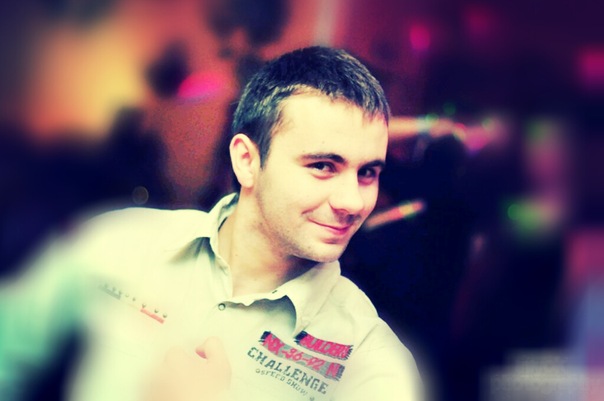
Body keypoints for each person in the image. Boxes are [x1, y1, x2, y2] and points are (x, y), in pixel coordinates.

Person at [0, 46, 421, 401]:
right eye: (324, 166)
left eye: (368, 173)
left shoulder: (372, 367)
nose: (353, 202)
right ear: (247, 161)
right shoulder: (120, 242)